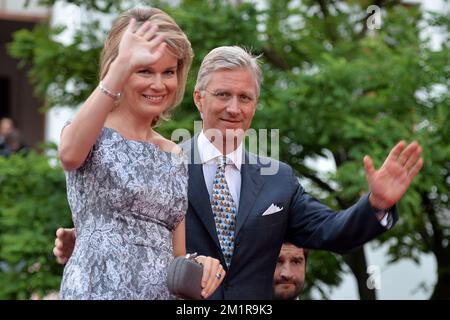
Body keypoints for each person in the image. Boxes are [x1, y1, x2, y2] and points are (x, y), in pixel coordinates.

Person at [54, 46, 423, 299]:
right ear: (199, 99)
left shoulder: (278, 179)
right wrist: (84, 237)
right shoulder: (164, 164)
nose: (234, 108)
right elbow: (129, 225)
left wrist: (376, 204)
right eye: (222, 95)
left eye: (244, 98)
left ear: (255, 105)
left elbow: (332, 232)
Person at [57, 7, 224, 300]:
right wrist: (121, 65)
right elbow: (69, 155)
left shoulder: (174, 154)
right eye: (144, 70)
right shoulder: (91, 129)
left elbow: (176, 255)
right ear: (118, 69)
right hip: (95, 290)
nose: (159, 85)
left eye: (168, 72)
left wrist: (200, 265)